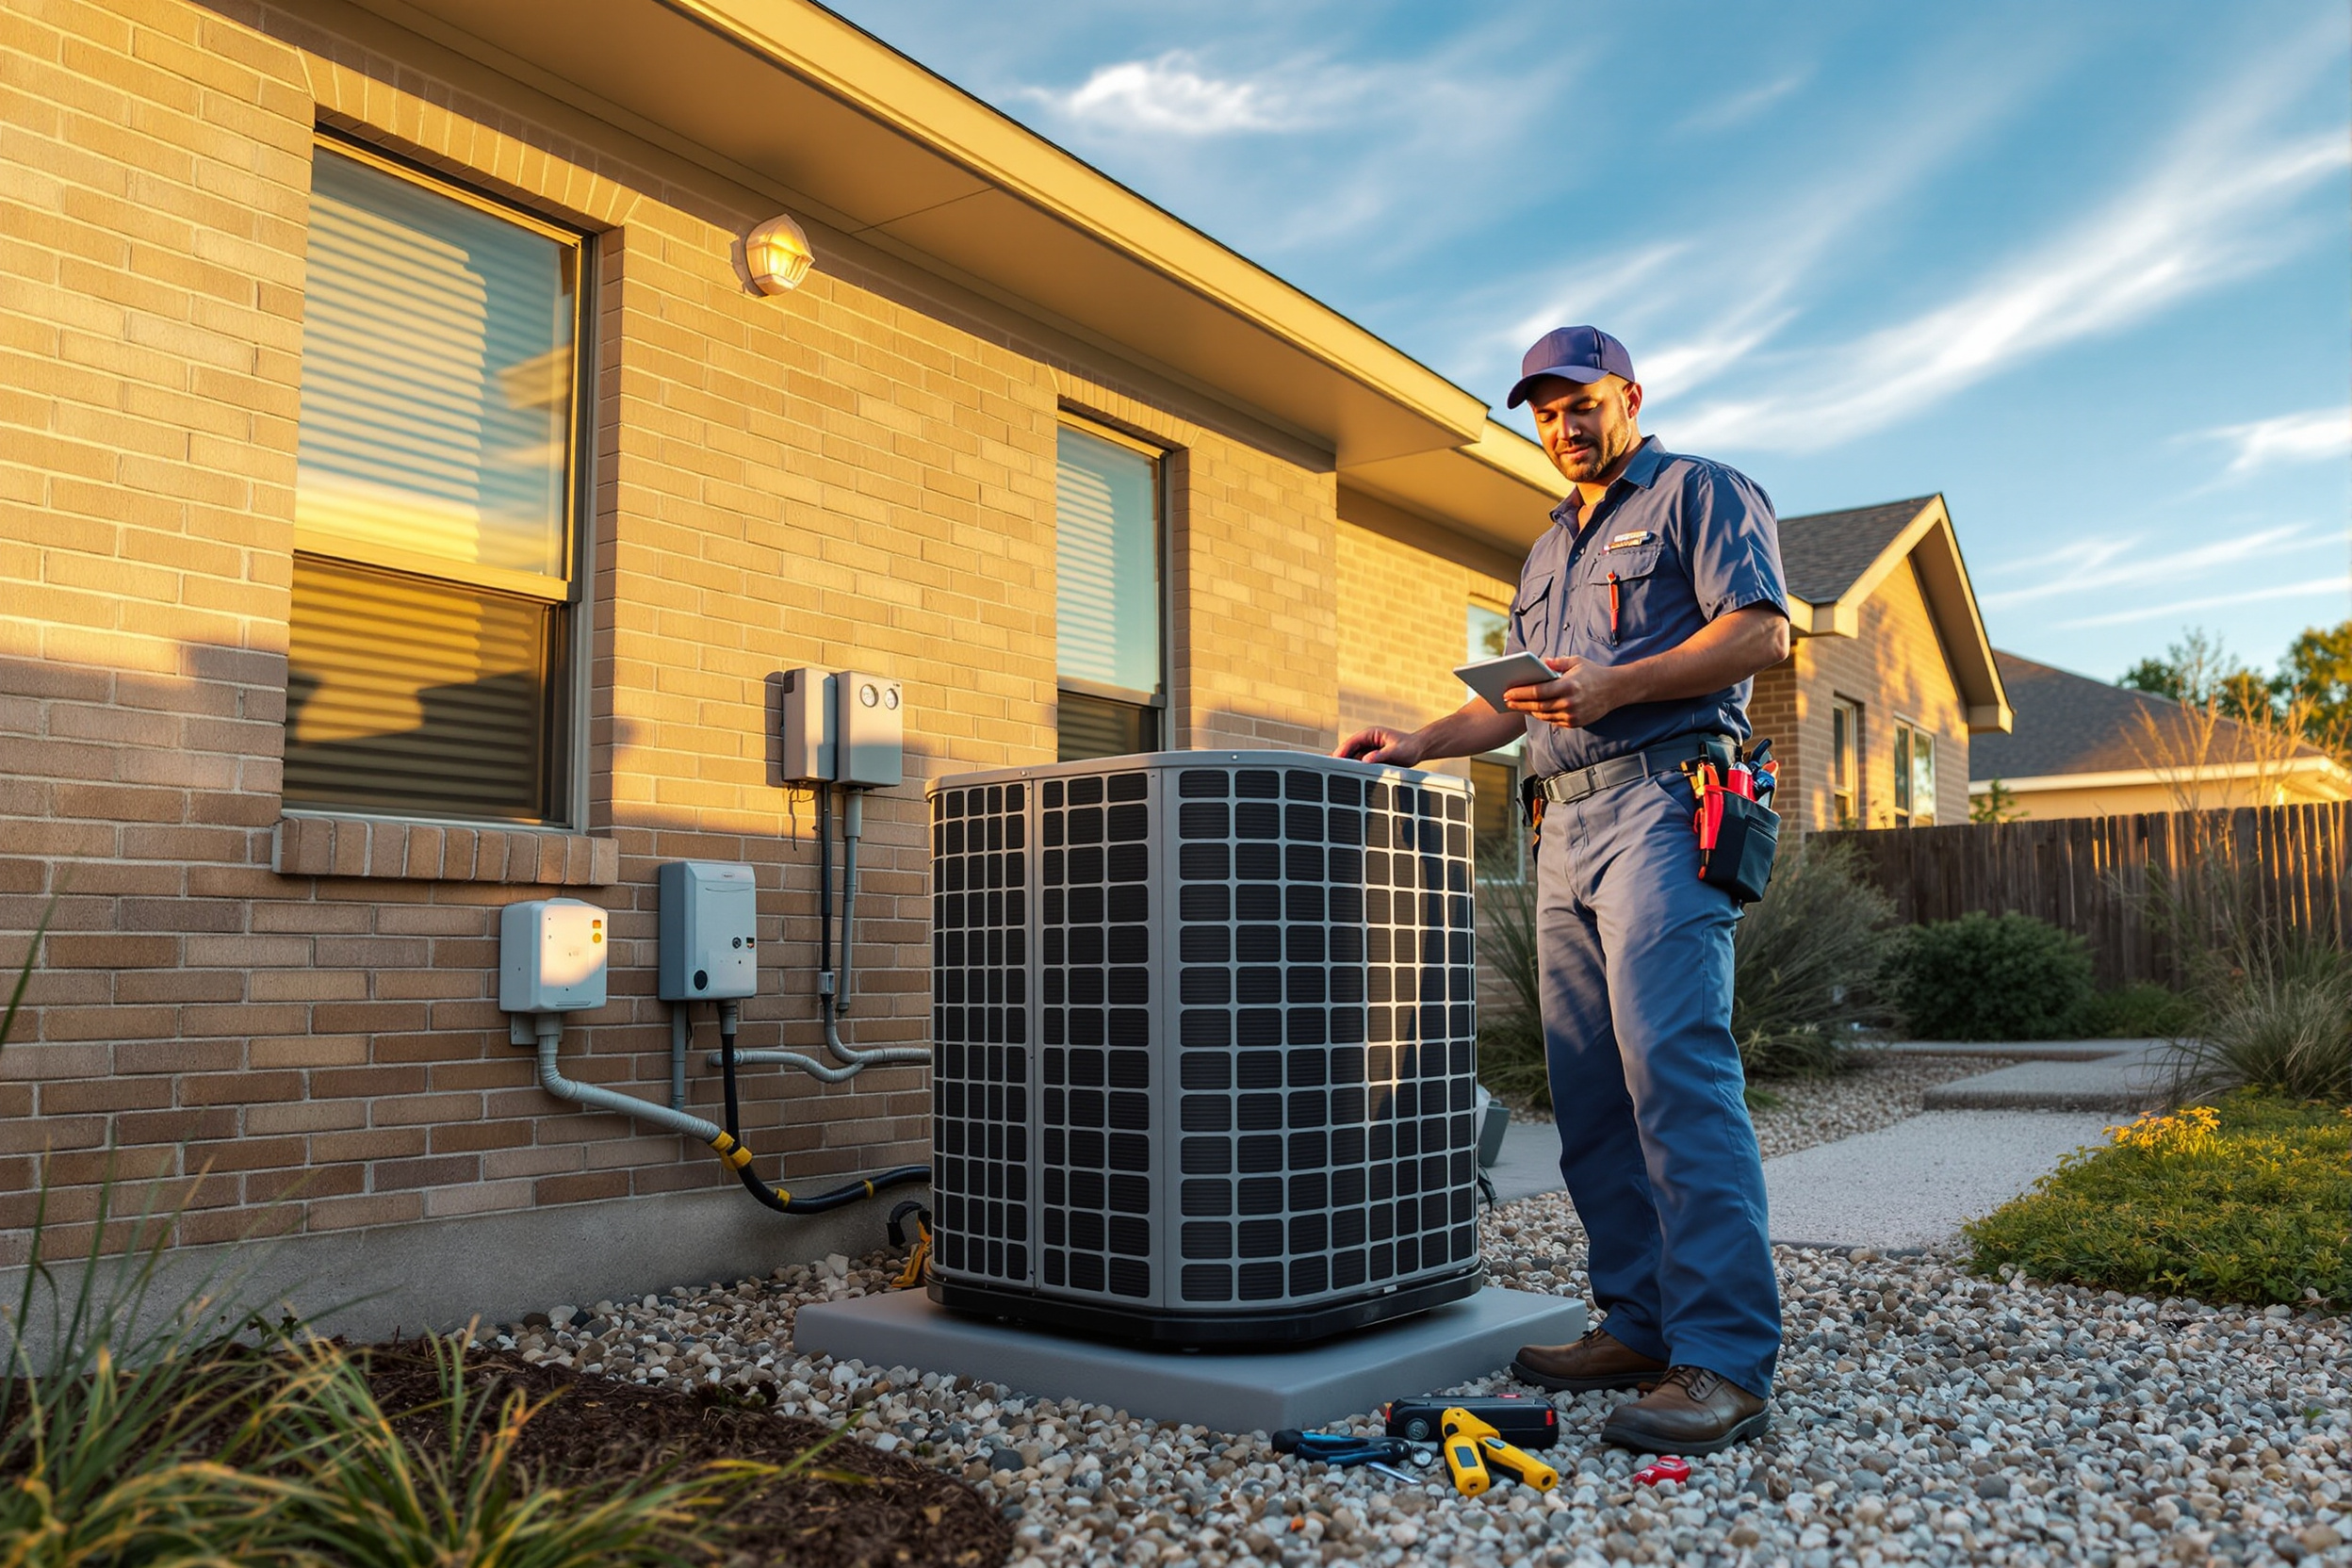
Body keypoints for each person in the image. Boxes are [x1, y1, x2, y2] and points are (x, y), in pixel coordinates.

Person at [1333, 326, 1788, 1454]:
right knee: (1586, 1092)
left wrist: (1617, 683)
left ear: (1628, 396)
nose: (1562, 426)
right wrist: (1419, 741)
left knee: (1674, 1071)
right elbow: (1524, 703)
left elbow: (1761, 632)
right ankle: (1638, 1324)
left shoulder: (1701, 490)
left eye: (1579, 403)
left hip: (1663, 803)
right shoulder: (1543, 554)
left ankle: (1725, 1358)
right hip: (1562, 822)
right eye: (1542, 412)